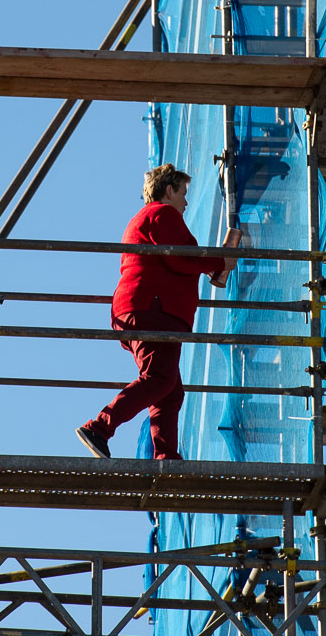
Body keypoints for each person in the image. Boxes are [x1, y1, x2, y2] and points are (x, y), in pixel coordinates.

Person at [76, 164, 239, 461]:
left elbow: (175, 257)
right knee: (160, 380)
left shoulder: (144, 218)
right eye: (183, 193)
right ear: (169, 190)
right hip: (154, 307)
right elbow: (179, 257)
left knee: (169, 390)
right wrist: (220, 260)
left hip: (141, 308)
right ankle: (99, 427)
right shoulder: (163, 215)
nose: (186, 202)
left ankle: (165, 457)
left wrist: (215, 262)